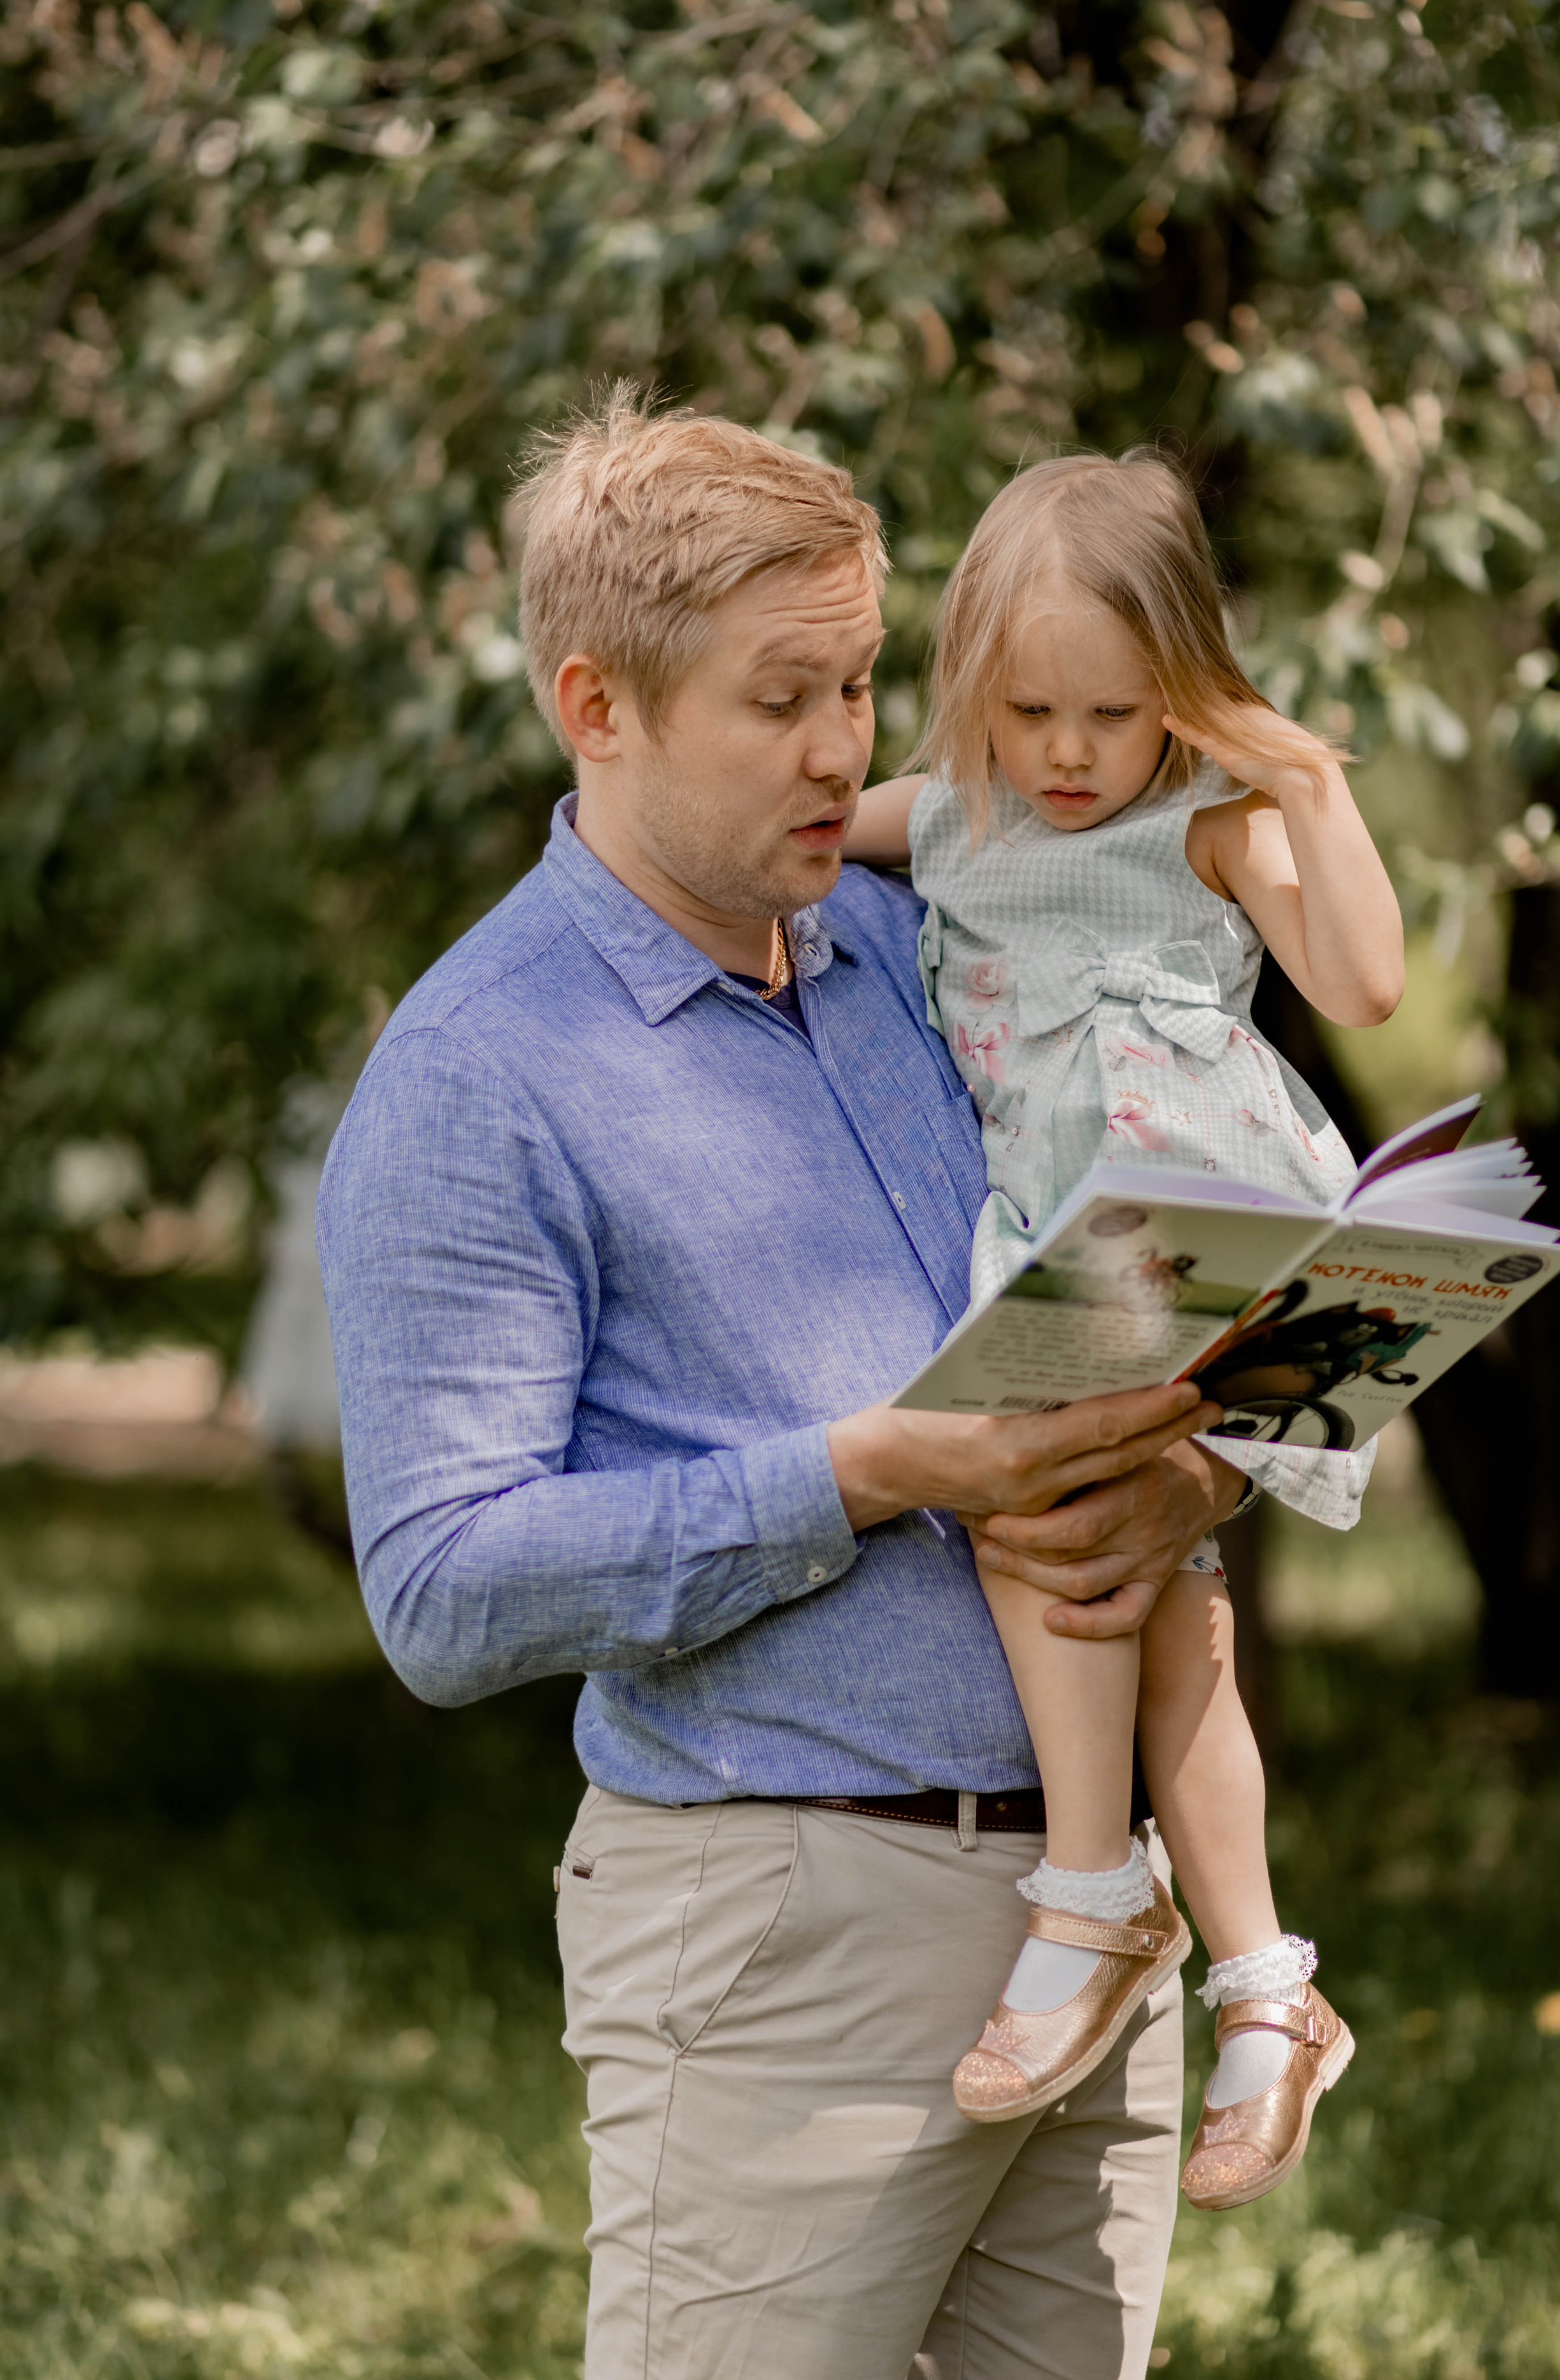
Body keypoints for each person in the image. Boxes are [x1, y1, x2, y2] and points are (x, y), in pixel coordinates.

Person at [316, 395, 1256, 2379]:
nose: (850, 748)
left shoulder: (923, 949)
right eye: (782, 700)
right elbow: (443, 1590)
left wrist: (1201, 1478)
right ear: (600, 704)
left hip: (1098, 1923)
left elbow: (1113, 1310)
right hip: (781, 1944)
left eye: (858, 683)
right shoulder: (481, 1079)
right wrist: (862, 1472)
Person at [844, 449, 1405, 2209]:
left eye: (1119, 708)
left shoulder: (1203, 829)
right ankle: (1264, 1985)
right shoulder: (952, 820)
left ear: (1187, 693)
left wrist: (1303, 775)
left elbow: (1372, 987)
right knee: (1168, 1601)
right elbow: (785, 833)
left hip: (1199, 1226)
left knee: (1038, 1534)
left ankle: (1091, 1893)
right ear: (975, 698)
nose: (1073, 753)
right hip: (1089, 1249)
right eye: (1030, 712)